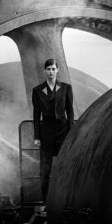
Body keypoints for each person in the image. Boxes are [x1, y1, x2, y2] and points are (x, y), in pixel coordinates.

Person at [32, 58, 74, 201]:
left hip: (62, 130)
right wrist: (37, 136)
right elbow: (36, 115)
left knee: (65, 165)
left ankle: (65, 198)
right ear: (45, 71)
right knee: (45, 169)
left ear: (57, 70)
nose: (51, 72)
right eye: (48, 69)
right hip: (46, 131)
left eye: (53, 69)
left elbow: (70, 111)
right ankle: (45, 200)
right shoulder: (37, 90)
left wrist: (71, 132)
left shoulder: (66, 88)